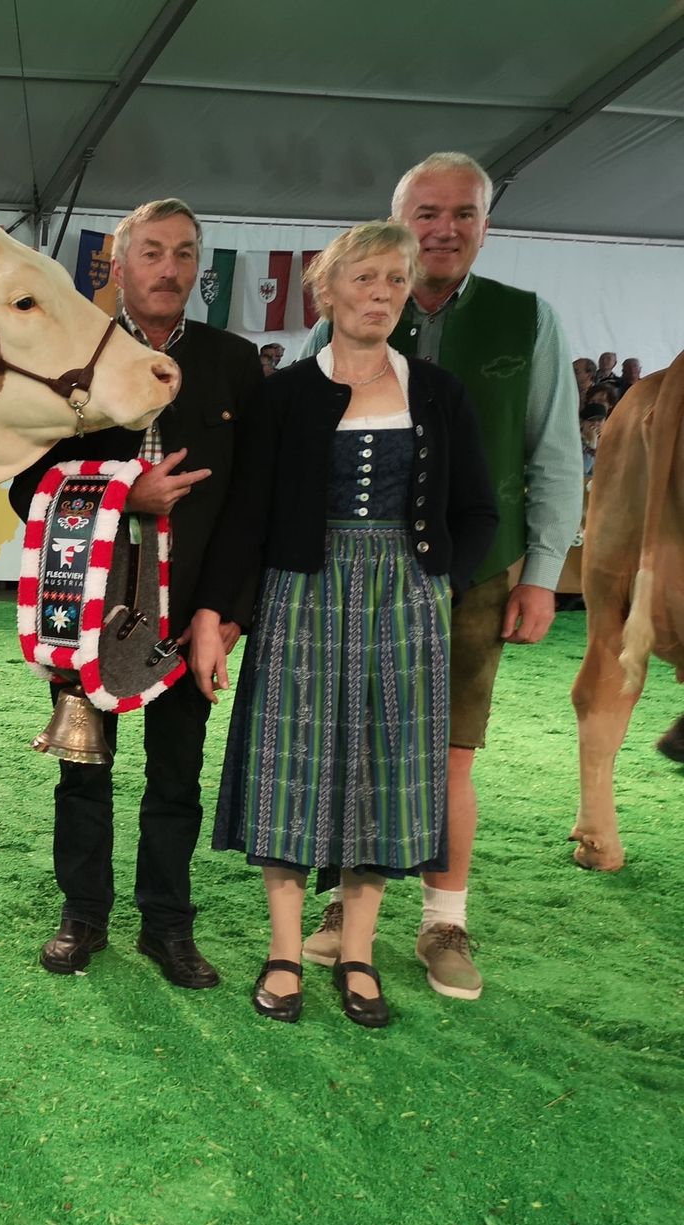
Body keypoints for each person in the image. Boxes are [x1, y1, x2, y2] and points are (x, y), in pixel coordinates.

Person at [191, 220, 497, 1027]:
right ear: (326, 291)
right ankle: (286, 950)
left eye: (395, 281)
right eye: (364, 279)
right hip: (303, 593)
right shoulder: (284, 394)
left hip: (406, 602)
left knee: (388, 773)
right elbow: (248, 514)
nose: (381, 295)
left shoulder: (438, 392)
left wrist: (439, 580)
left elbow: (477, 510)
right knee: (293, 766)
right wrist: (219, 615)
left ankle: (358, 951)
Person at [299, 153, 581, 1001]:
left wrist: (543, 576)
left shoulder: (527, 319)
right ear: (400, 220)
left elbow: (556, 454)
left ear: (484, 226)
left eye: (463, 213)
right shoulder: (341, 319)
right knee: (354, 746)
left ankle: (442, 921)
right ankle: (347, 918)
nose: (444, 228)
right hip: (357, 577)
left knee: (448, 759)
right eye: (427, 212)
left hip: (475, 577)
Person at [8, 198, 263, 988]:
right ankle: (82, 916)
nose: (169, 269)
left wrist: (221, 613)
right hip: (86, 606)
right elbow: (27, 486)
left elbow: (251, 503)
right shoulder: (70, 354)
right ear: (116, 267)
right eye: (151, 253)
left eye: (185, 254)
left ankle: (167, 925)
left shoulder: (233, 362)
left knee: (177, 776)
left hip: (189, 612)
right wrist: (126, 494)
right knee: (82, 769)